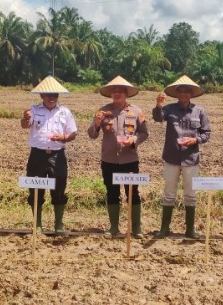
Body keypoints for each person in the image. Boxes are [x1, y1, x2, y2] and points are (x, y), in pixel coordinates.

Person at [87, 76, 149, 238]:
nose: (117, 93)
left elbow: (144, 133)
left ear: (126, 93)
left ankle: (136, 228)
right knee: (112, 193)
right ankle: (114, 227)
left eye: (120, 91)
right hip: (109, 160)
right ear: (110, 94)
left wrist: (134, 140)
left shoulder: (136, 111)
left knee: (133, 193)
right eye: (114, 91)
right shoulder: (103, 111)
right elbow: (92, 135)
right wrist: (97, 123)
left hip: (130, 160)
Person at [152, 75, 211, 239]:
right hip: (171, 157)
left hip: (191, 158)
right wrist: (158, 105)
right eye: (181, 91)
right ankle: (164, 228)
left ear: (191, 94)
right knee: (169, 193)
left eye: (187, 91)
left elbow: (206, 134)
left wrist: (195, 140)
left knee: (191, 195)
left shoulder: (199, 111)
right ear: (177, 94)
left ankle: (190, 229)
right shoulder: (169, 109)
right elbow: (158, 118)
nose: (184, 94)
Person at [21, 76, 77, 236]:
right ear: (41, 96)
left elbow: (72, 133)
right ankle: (37, 225)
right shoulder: (33, 110)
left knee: (59, 189)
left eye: (55, 95)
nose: (52, 98)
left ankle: (58, 225)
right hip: (37, 155)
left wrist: (63, 137)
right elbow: (25, 125)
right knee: (36, 189)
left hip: (57, 155)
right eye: (48, 95)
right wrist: (24, 118)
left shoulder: (65, 112)